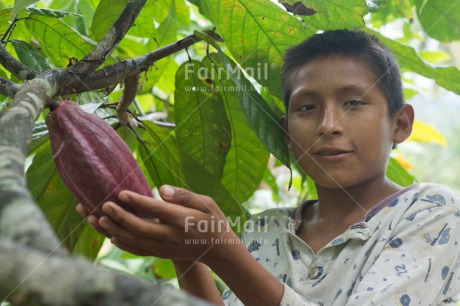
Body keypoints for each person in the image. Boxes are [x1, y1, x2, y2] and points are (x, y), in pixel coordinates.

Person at [77, 29, 460, 305]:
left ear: (400, 123)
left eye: (354, 102)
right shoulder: (267, 229)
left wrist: (225, 253)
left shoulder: (432, 213)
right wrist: (186, 251)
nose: (328, 124)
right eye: (307, 107)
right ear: (286, 133)